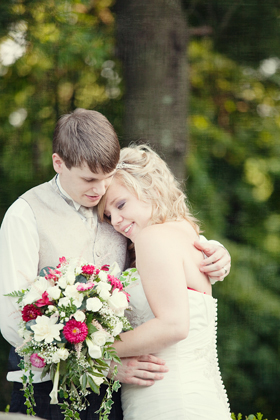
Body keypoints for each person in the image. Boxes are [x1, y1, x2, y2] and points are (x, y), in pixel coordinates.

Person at [0, 108, 230, 420]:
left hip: (123, 394)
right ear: (58, 163)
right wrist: (98, 362)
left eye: (106, 180)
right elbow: (14, 320)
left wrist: (215, 252)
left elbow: (170, 270)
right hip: (51, 390)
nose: (99, 191)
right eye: (89, 179)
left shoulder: (125, 218)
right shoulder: (25, 214)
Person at [100, 144, 231, 419]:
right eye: (108, 215)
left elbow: (173, 325)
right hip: (199, 395)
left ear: (151, 188)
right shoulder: (191, 235)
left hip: (167, 399)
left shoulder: (152, 238)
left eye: (121, 204)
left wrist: (97, 351)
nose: (116, 221)